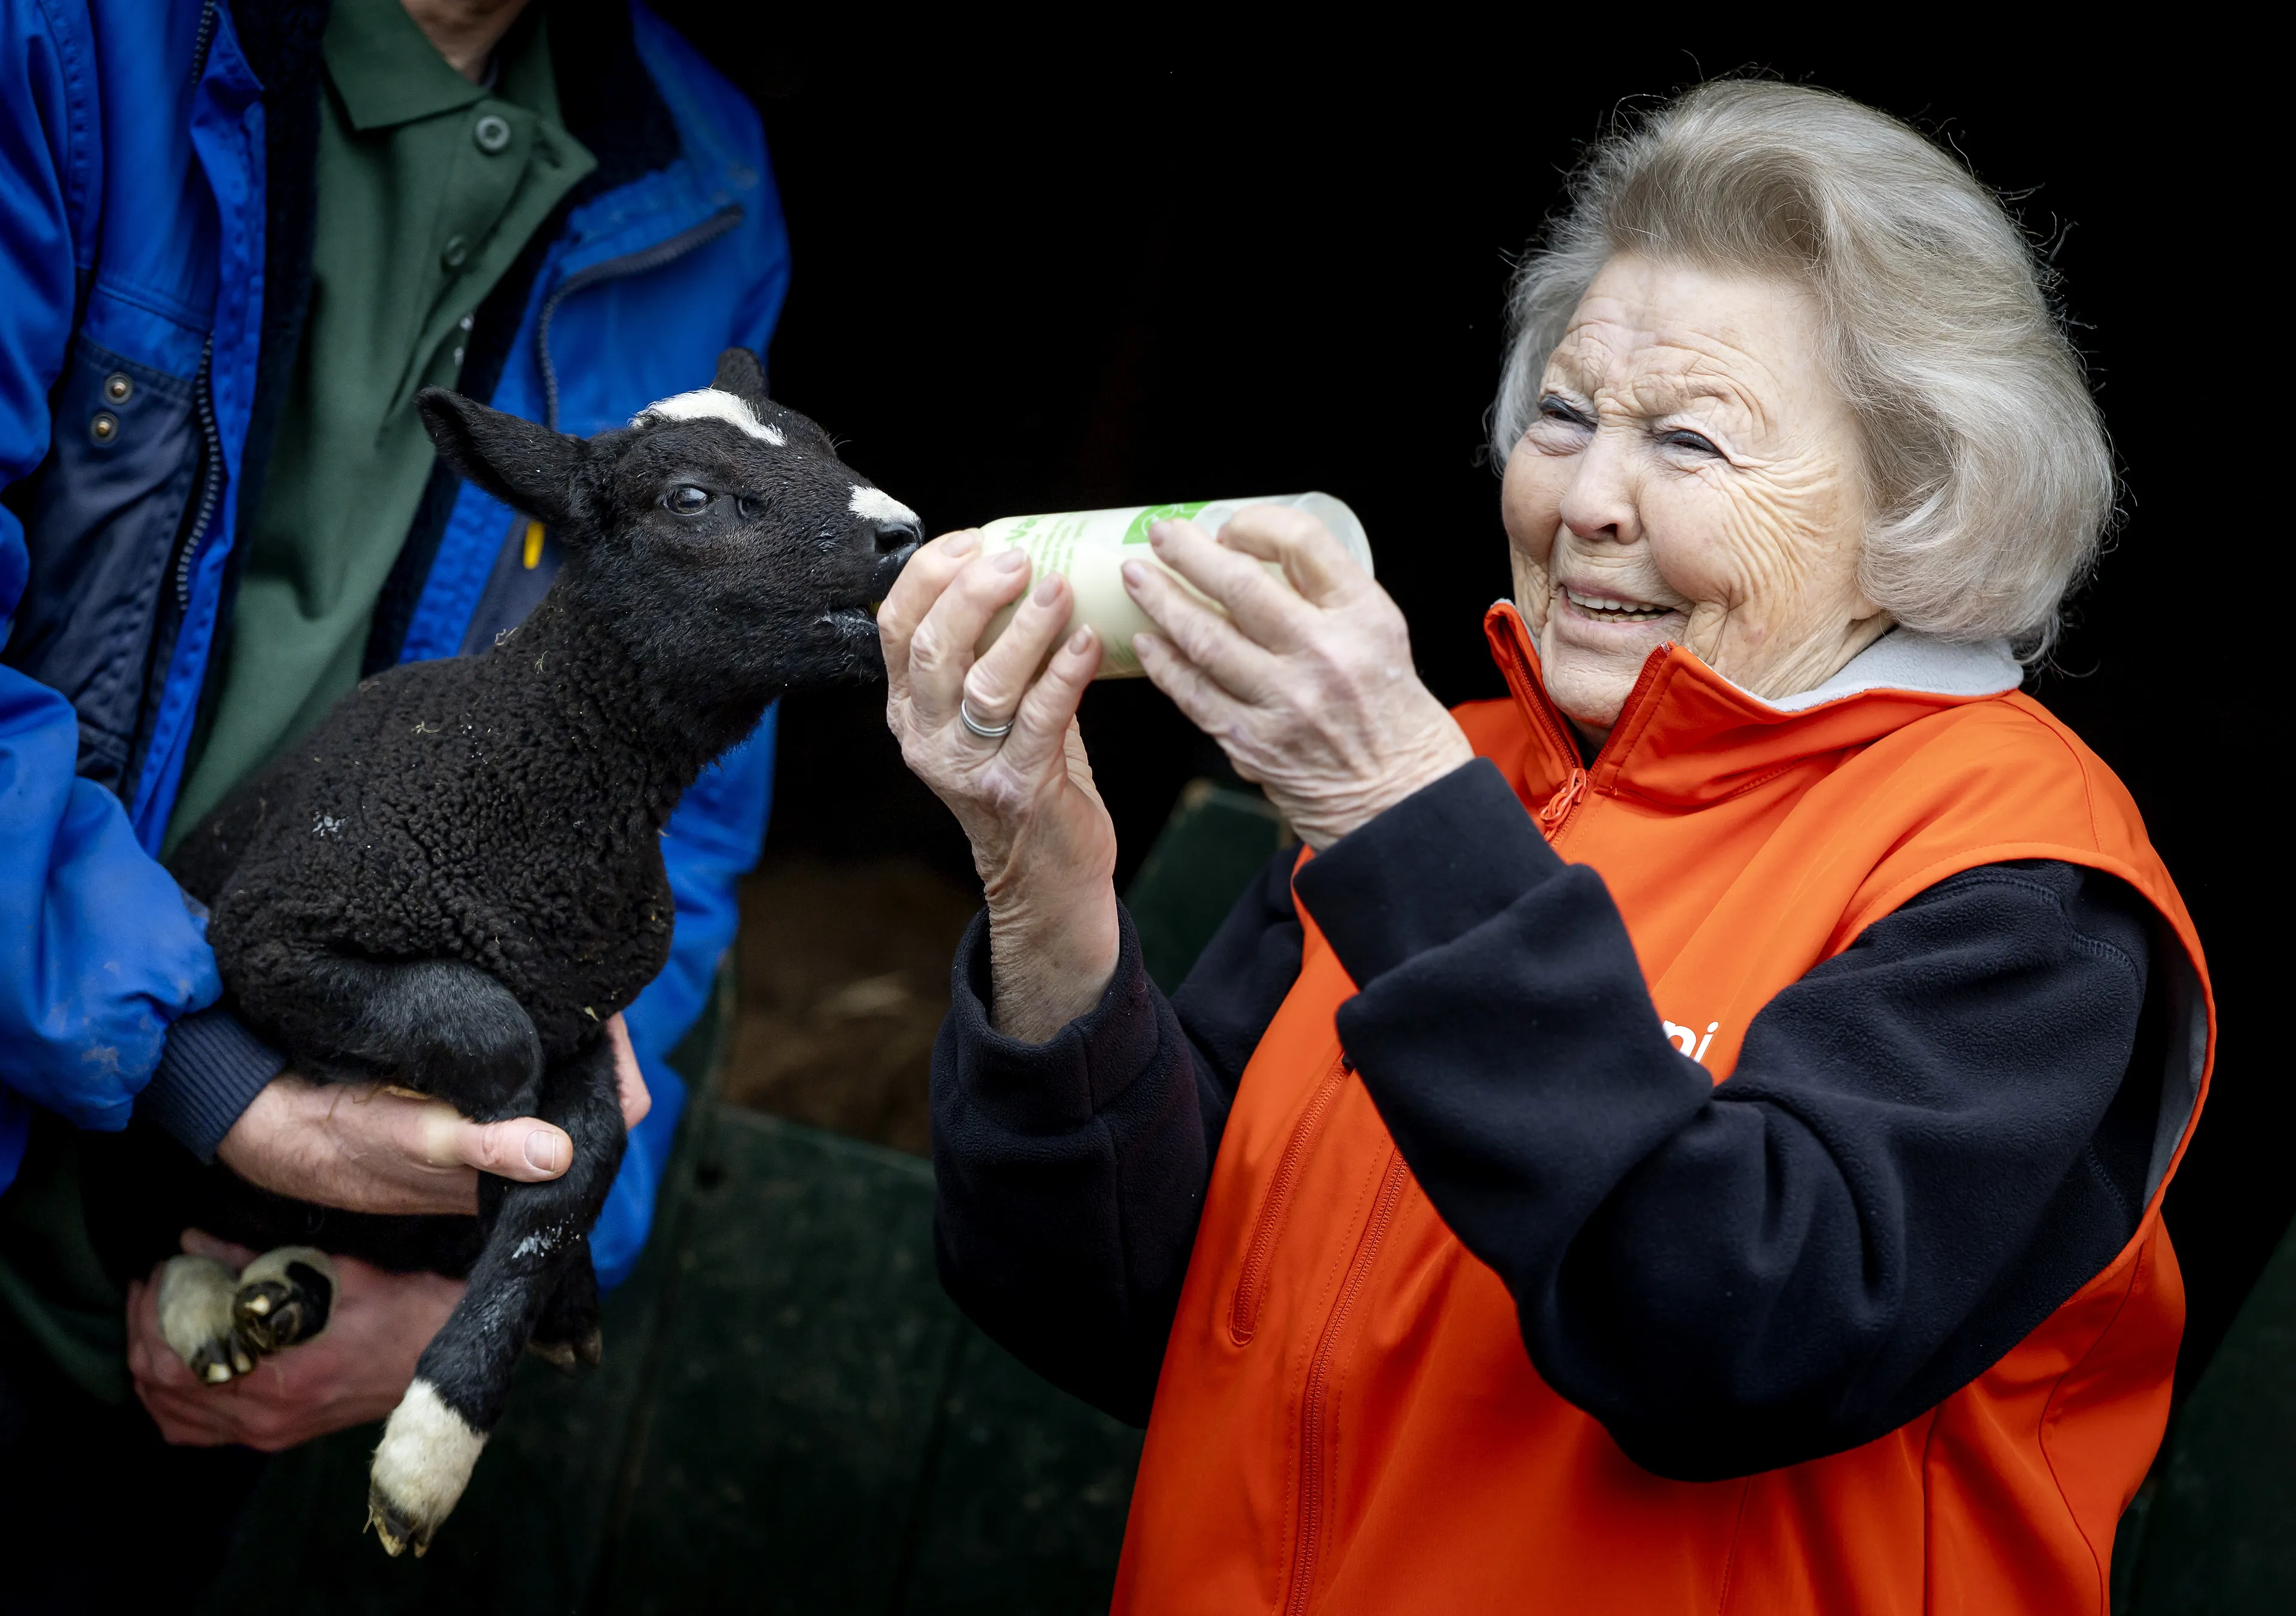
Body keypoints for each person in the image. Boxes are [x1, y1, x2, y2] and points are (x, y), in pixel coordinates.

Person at [885, 81, 2213, 1614]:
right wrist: (1042, 878)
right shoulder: (1454, 774)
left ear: (1920, 504)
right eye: (1567, 417)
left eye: (1691, 443)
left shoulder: (2019, 882)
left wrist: (1391, 806)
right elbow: (1128, 1309)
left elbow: (1738, 1336)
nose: (1586, 500)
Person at [0, 0, 787, 1596]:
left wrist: (503, 1257)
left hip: (206, 1327)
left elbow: (679, 811)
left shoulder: (701, 176)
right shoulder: (66, 40)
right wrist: (200, 1063)